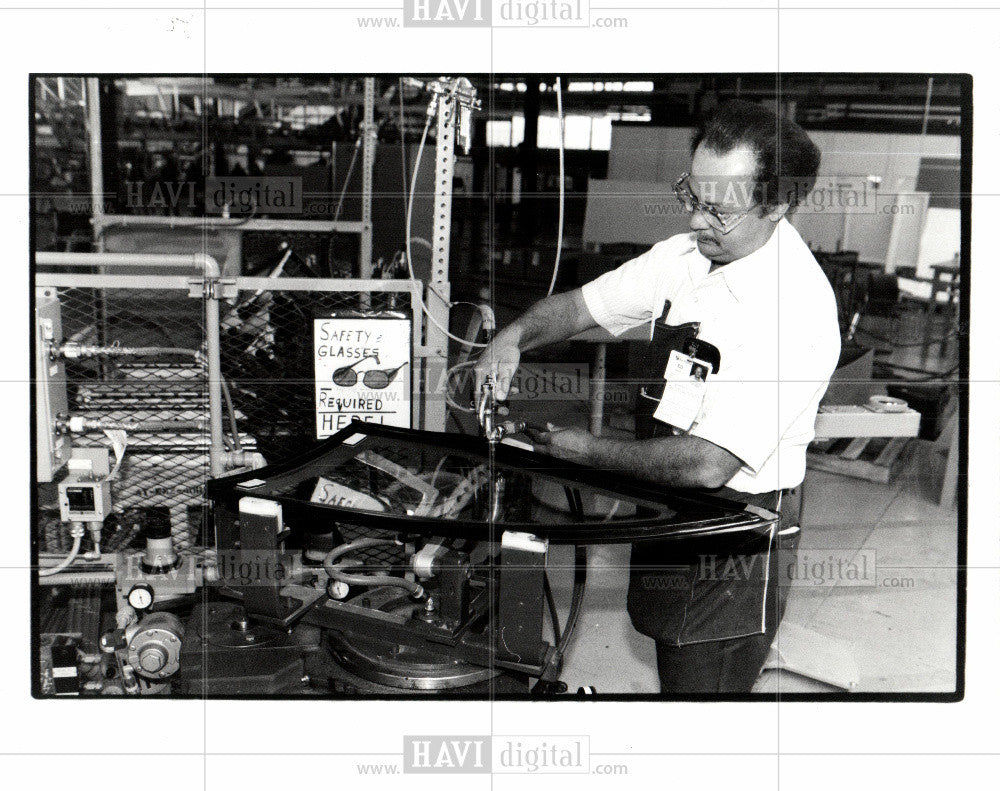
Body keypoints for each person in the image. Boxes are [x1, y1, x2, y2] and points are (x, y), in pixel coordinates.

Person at [474, 100, 841, 693]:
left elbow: (708, 462)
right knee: (662, 638)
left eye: (718, 210)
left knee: (700, 698)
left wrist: (584, 451)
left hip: (737, 534)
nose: (697, 222)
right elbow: (580, 308)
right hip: (670, 499)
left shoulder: (793, 309)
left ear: (778, 205)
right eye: (691, 197)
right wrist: (512, 338)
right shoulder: (685, 257)